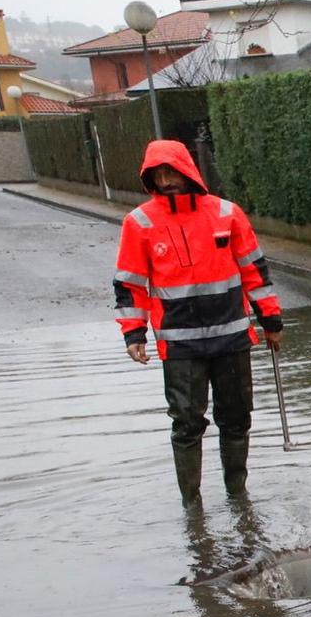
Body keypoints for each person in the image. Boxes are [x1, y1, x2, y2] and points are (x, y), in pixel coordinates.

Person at [114, 140, 282, 504]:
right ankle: (192, 505)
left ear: (187, 170)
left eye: (171, 171)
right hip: (179, 345)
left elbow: (255, 270)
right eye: (158, 174)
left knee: (236, 419)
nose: (166, 179)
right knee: (187, 425)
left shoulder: (226, 213)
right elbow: (130, 284)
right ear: (150, 178)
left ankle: (237, 496)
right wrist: (133, 333)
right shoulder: (140, 222)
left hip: (232, 337)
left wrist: (271, 319)